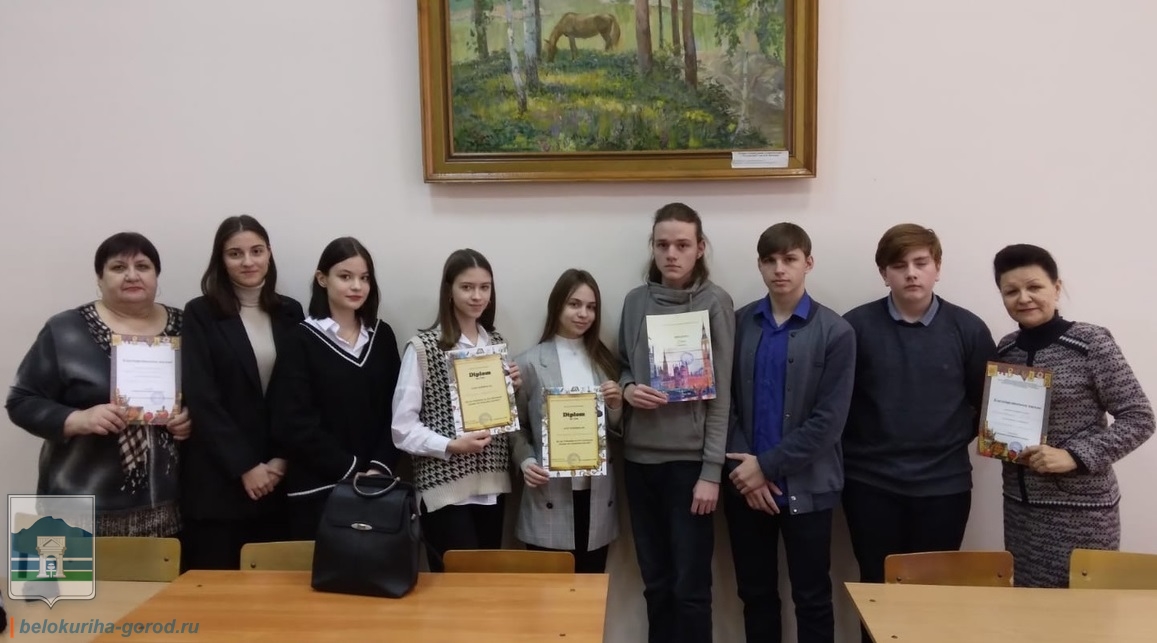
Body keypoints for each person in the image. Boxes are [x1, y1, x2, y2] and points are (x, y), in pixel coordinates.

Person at [841, 223, 995, 641]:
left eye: (921, 263)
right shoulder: (854, 327)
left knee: (935, 595)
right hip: (870, 484)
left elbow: (986, 406)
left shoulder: (969, 328)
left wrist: (944, 441)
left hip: (944, 486)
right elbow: (838, 404)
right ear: (883, 273)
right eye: (899, 265)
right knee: (876, 591)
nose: (911, 273)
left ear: (937, 268)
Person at [7, 232, 191, 536]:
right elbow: (21, 401)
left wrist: (190, 418)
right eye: (118, 267)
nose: (132, 275)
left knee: (162, 573)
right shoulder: (65, 330)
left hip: (167, 509)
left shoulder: (186, 326)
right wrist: (78, 419)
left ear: (156, 276)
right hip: (73, 508)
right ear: (99, 278)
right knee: (57, 570)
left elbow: (209, 395)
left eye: (142, 266)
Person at [991, 244, 1154, 587]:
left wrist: (1074, 456)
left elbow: (1140, 418)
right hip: (1021, 512)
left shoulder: (1090, 342)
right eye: (1011, 291)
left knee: (1085, 612)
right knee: (1028, 609)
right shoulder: (1006, 349)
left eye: (1034, 287)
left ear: (1056, 288)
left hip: (1082, 514)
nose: (1023, 298)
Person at [724, 223, 855, 643]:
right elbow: (723, 404)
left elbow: (828, 421)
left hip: (808, 488)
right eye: (770, 260)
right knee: (756, 595)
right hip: (746, 487)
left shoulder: (836, 332)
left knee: (812, 598)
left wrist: (766, 466)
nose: (779, 269)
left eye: (790, 259)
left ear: (808, 263)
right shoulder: (739, 323)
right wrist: (748, 473)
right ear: (760, 266)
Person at [618, 203, 735, 643]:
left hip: (690, 467)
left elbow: (723, 394)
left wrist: (711, 472)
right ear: (652, 247)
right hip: (639, 462)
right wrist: (629, 390)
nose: (672, 254)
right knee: (656, 584)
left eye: (682, 245)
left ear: (700, 248)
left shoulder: (715, 302)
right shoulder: (635, 301)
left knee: (690, 588)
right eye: (663, 244)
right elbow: (623, 366)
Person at [180, 215, 304, 569]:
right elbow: (202, 397)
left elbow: (298, 392)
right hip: (220, 480)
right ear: (221, 260)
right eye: (235, 254)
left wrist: (281, 459)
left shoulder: (290, 311)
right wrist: (245, 466)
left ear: (269, 253)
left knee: (276, 591)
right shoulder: (200, 313)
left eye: (256, 251)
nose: (248, 261)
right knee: (217, 590)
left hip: (278, 478)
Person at [392, 249, 519, 572]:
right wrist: (450, 445)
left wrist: (511, 392)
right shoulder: (423, 347)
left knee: (486, 589)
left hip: (492, 487)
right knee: (454, 590)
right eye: (467, 287)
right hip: (444, 491)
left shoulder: (497, 345)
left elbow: (503, 421)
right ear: (449, 290)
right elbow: (402, 428)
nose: (477, 296)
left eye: (485, 287)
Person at [270, 237, 401, 539]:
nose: (357, 286)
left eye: (364, 278)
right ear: (322, 279)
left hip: (377, 490)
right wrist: (351, 469)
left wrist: (378, 468)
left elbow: (397, 409)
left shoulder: (382, 336)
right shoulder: (300, 340)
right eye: (345, 276)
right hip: (318, 492)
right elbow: (293, 422)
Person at [512, 269, 623, 573]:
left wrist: (615, 405)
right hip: (548, 492)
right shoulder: (529, 362)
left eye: (591, 307)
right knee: (548, 596)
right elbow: (516, 426)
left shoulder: (605, 362)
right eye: (574, 304)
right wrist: (526, 461)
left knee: (590, 591)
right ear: (557, 306)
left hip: (596, 494)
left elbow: (616, 430)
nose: (583, 314)